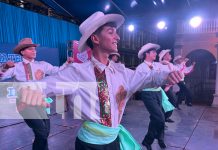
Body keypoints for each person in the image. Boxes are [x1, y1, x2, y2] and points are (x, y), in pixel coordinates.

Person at [17, 12, 182, 150]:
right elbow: (38, 87)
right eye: (111, 32)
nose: (117, 36)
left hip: (113, 140)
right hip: (89, 144)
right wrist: (29, 95)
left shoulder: (122, 72)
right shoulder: (77, 72)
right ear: (95, 39)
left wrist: (166, 76)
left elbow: (148, 78)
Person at [0, 38, 72, 150]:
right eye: (30, 49)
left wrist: (67, 63)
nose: (34, 51)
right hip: (25, 103)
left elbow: (57, 70)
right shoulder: (16, 66)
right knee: (42, 132)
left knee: (45, 132)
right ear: (22, 52)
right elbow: (1, 76)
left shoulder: (42, 64)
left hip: (40, 101)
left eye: (34, 49)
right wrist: (5, 67)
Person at [137, 43, 170, 150]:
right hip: (147, 94)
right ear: (147, 53)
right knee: (160, 118)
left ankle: (160, 139)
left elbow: (170, 71)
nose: (156, 54)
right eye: (154, 52)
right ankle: (148, 140)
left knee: (155, 118)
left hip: (158, 93)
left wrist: (166, 63)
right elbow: (138, 83)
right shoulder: (141, 68)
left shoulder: (157, 65)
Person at [159, 49, 179, 120]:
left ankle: (165, 117)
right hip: (164, 86)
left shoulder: (168, 64)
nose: (170, 55)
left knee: (169, 102)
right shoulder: (163, 64)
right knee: (170, 101)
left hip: (168, 86)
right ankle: (163, 118)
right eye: (168, 54)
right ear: (164, 57)